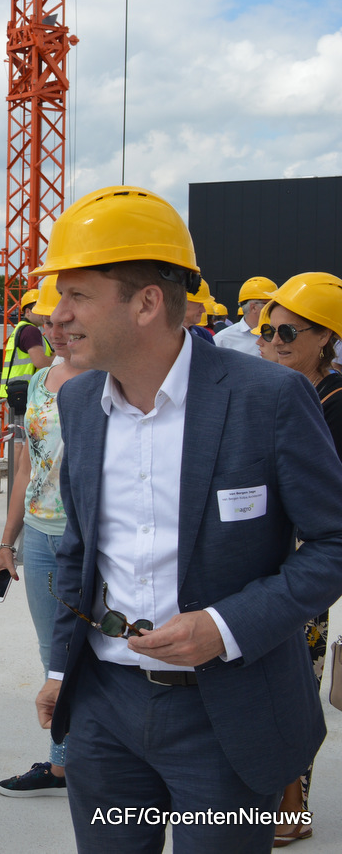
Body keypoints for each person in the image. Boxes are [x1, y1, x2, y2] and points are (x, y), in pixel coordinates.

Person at [32, 185, 342, 853]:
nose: (56, 316)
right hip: (104, 714)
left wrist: (225, 627)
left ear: (147, 303)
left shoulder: (269, 398)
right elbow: (78, 550)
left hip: (228, 716)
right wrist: (61, 670)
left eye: (77, 295)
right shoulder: (80, 403)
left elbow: (334, 542)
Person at [254, 271, 342, 846]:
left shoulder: (336, 402)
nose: (275, 341)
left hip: (304, 568)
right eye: (268, 331)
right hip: (262, 559)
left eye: (289, 332)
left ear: (325, 338)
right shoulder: (270, 389)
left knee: (294, 687)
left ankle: (292, 805)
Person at [0, 275, 83, 798]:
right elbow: (28, 463)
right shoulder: (41, 381)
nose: (56, 330)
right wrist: (7, 543)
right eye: (46, 323)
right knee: (53, 652)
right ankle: (64, 763)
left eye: (61, 319)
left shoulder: (105, 379)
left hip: (83, 539)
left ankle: (83, 760)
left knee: (87, 652)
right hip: (41, 537)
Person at [0, 287, 53, 417]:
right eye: (38, 308)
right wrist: (58, 359)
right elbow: (40, 362)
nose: (43, 312)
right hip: (27, 394)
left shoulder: (21, 329)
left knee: (18, 430)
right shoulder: (30, 331)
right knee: (27, 429)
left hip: (17, 392)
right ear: (27, 311)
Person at [214, 276, 277, 356]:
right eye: (270, 304)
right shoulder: (222, 340)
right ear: (253, 307)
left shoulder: (280, 335)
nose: (276, 308)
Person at [184, 278, 216, 343]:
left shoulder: (204, 335)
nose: (203, 310)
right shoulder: (162, 336)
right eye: (199, 304)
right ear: (182, 303)